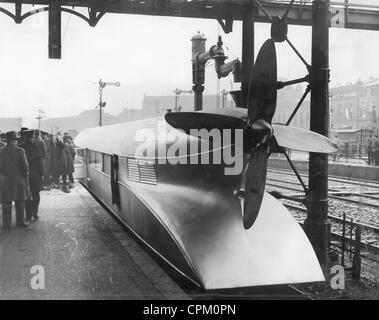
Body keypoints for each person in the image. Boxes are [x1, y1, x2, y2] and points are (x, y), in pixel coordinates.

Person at [0, 131, 29, 228]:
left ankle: (6, 223)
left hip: (5, 180)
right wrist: (24, 177)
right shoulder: (20, 151)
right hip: (18, 179)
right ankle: (20, 222)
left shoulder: (1, 151)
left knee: (6, 202)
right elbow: (25, 166)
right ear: (14, 140)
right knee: (20, 201)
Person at [19, 129, 44, 221]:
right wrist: (41, 174)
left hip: (25, 176)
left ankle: (28, 214)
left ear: (24, 137)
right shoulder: (36, 146)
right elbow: (40, 162)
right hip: (36, 175)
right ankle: (35, 213)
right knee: (36, 194)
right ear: (32, 136)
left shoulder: (20, 147)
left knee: (27, 195)